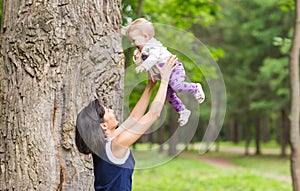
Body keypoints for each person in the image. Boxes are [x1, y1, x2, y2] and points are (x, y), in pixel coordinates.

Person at [75, 55, 178, 191]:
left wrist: (150, 86)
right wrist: (165, 80)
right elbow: (153, 114)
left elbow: (134, 118)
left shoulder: (104, 145)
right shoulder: (116, 145)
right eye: (107, 111)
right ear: (103, 125)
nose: (111, 110)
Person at [124, 18, 205, 126]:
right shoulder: (143, 48)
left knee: (176, 86)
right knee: (167, 95)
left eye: (134, 40)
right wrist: (138, 59)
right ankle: (182, 111)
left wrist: (144, 65)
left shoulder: (153, 46)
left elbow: (153, 58)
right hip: (164, 74)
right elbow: (145, 61)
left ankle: (195, 88)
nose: (132, 43)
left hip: (174, 68)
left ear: (145, 37)